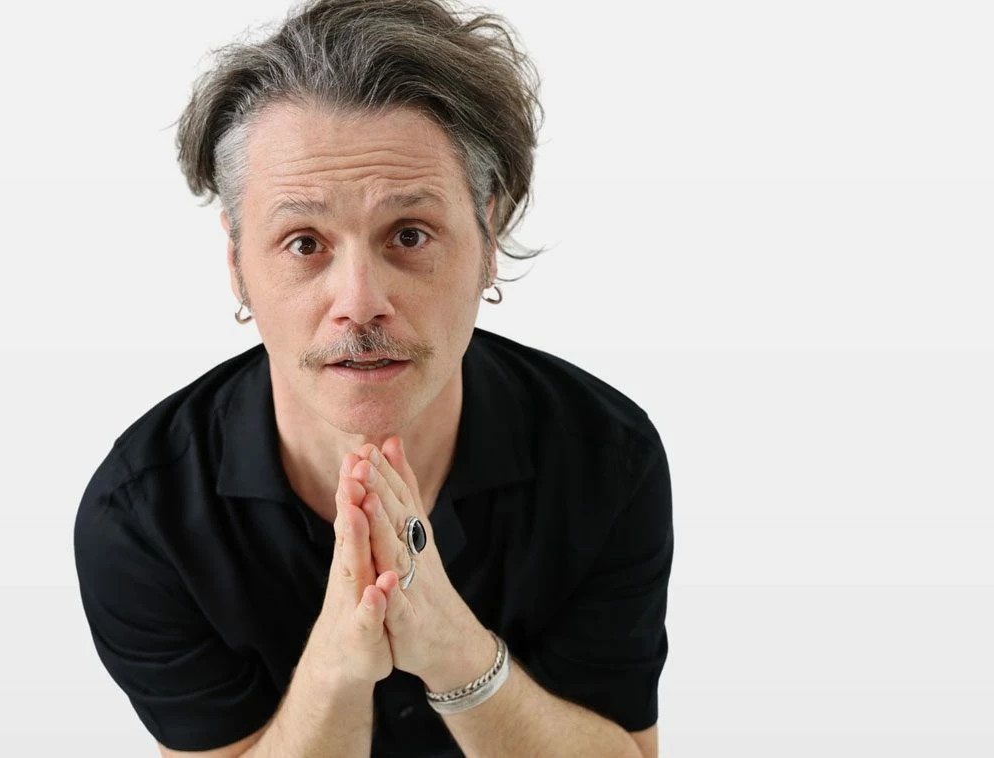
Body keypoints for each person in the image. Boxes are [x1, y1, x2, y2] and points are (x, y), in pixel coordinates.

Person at [73, 1, 672, 755]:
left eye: (409, 235)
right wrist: (335, 670)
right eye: (304, 242)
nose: (359, 302)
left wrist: (457, 653)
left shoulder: (606, 457)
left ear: (488, 239)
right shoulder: (142, 516)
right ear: (236, 262)